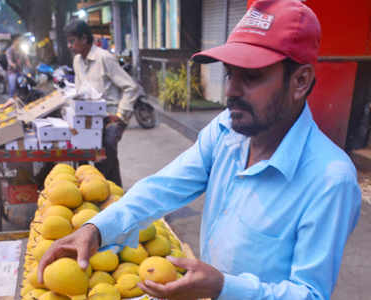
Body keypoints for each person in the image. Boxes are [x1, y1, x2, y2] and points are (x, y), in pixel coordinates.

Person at [38, 1, 361, 299]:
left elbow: (310, 294)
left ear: (300, 81)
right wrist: (97, 229)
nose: (231, 91)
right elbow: (162, 188)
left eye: (251, 76)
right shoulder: (226, 132)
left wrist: (224, 286)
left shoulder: (329, 179)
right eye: (230, 73)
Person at [63, 20, 139, 187]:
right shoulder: (77, 61)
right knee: (79, 152)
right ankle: (99, 191)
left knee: (106, 150)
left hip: (110, 117)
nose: (69, 46)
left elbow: (131, 87)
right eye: (68, 41)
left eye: (72, 41)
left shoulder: (104, 58)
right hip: (88, 117)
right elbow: (79, 90)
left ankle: (105, 191)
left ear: (84, 39)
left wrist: (120, 115)